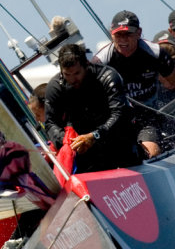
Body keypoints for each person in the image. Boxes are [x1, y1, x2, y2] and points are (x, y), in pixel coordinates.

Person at [93, 11, 175, 158]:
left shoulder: (155, 53)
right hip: (115, 118)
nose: (123, 40)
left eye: (128, 34)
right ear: (112, 35)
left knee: (151, 152)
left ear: (138, 33)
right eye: (119, 35)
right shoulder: (100, 61)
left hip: (147, 116)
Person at [42, 43, 139, 173]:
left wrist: (95, 136)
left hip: (117, 139)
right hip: (84, 148)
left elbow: (119, 113)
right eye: (67, 74)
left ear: (86, 65)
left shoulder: (107, 76)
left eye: (77, 73)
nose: (72, 79)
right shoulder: (55, 87)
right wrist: (69, 142)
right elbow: (50, 123)